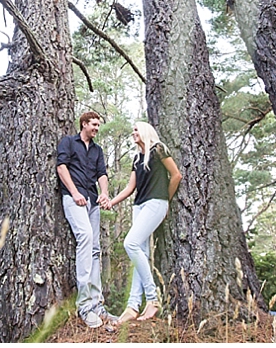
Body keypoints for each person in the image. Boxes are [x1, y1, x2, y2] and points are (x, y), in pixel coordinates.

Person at [109, 121, 182, 323]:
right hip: (139, 206)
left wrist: (166, 200)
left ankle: (152, 299)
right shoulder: (136, 157)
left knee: (130, 244)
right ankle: (132, 306)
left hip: (156, 203)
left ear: (145, 132)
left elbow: (176, 175)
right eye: (132, 130)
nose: (133, 133)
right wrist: (111, 202)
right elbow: (130, 188)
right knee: (139, 252)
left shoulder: (158, 149)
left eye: (135, 130)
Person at [56, 111, 118, 328]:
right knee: (85, 237)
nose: (96, 128)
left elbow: (102, 174)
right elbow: (61, 167)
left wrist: (104, 192)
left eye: (98, 125)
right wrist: (74, 193)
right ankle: (84, 306)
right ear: (83, 124)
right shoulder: (68, 142)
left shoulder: (98, 150)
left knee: (94, 249)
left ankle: (97, 304)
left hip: (92, 200)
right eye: (93, 124)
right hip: (74, 199)